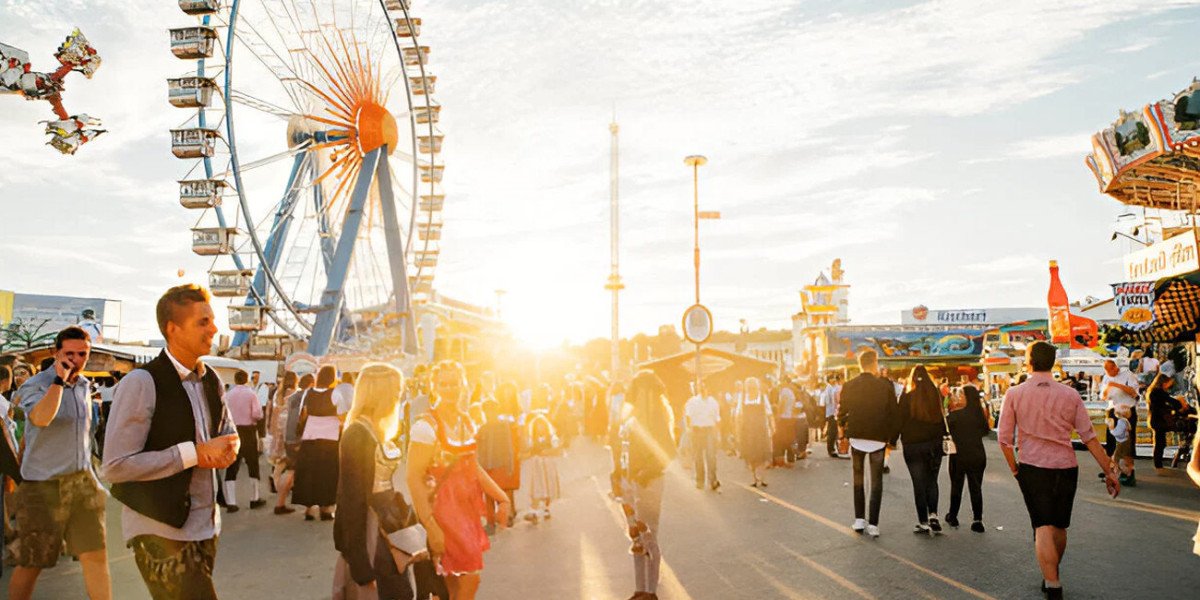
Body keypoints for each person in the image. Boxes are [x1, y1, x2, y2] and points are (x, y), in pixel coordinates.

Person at [102, 285, 240, 600]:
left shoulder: (211, 380)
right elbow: (115, 466)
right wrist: (193, 454)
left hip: (204, 527)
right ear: (172, 329)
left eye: (212, 320)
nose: (214, 329)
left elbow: (226, 433)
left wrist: (230, 449)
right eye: (202, 322)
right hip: (160, 529)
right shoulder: (141, 383)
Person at [998, 341, 1118, 600]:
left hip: (1032, 467)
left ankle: (1053, 583)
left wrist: (1014, 469)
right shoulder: (1070, 395)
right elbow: (1090, 438)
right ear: (1053, 362)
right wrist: (1109, 471)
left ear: (1029, 361)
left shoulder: (1015, 394)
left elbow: (1004, 440)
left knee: (1042, 525)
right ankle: (1051, 571)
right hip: (1066, 466)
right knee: (1060, 526)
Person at [8, 326, 111, 600]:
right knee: (33, 562)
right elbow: (40, 419)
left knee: (95, 556)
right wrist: (58, 381)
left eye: (82, 354)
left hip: (81, 482)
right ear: (56, 353)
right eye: (69, 353)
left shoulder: (85, 386)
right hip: (43, 487)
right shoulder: (36, 385)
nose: (76, 360)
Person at [406, 360, 510, 600]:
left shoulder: (465, 420)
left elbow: (473, 467)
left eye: (454, 384)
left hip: (465, 513)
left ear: (463, 386)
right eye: (444, 384)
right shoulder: (426, 426)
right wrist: (431, 527)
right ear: (434, 387)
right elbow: (413, 478)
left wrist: (501, 497)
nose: (450, 389)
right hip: (440, 513)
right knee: (462, 582)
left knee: (454, 585)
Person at [332, 363, 413, 600]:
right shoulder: (358, 434)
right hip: (371, 531)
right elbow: (351, 498)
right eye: (395, 391)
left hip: (384, 527)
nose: (399, 397)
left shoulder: (372, 430)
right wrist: (358, 560)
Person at [618, 370, 677, 600]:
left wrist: (647, 471)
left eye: (647, 391)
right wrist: (618, 474)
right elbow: (619, 446)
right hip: (629, 484)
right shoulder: (630, 418)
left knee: (649, 534)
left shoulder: (659, 418)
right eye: (639, 391)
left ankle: (651, 591)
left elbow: (669, 452)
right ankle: (639, 589)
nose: (643, 396)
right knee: (635, 537)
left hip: (650, 482)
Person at [837, 349, 898, 539]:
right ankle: (873, 523)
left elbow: (842, 412)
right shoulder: (885, 386)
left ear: (860, 364)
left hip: (856, 436)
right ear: (874, 364)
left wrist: (843, 431)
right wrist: (892, 440)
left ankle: (859, 519)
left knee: (858, 478)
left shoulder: (849, 385)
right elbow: (893, 414)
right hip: (878, 438)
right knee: (876, 481)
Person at [894, 365, 948, 535]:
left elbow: (899, 420)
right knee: (932, 481)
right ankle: (934, 515)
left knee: (918, 483)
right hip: (934, 445)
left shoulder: (906, 397)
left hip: (912, 446)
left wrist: (892, 440)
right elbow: (942, 420)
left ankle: (923, 521)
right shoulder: (935, 396)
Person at [294, 365, 342, 520]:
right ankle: (326, 508)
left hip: (310, 435)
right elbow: (341, 415)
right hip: (330, 437)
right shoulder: (336, 393)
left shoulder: (308, 392)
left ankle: (308, 509)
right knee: (328, 473)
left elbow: (303, 414)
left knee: (309, 472)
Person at [945, 385, 989, 531]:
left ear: (967, 397)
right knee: (975, 487)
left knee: (957, 486)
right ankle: (977, 519)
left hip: (959, 455)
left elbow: (946, 429)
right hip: (977, 454)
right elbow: (985, 432)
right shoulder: (980, 415)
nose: (960, 397)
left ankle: (953, 516)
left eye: (962, 395)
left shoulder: (955, 416)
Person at [223, 369, 266, 512]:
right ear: (246, 379)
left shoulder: (228, 395)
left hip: (232, 431)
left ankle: (231, 502)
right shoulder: (251, 394)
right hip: (248, 432)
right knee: (252, 464)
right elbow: (257, 414)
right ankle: (254, 498)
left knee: (232, 466)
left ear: (235, 380)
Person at [476, 398, 517, 534]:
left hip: (500, 464)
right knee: (488, 496)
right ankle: (490, 522)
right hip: (486, 466)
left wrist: (510, 465)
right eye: (486, 411)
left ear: (496, 410)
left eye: (491, 410)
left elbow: (509, 446)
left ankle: (506, 517)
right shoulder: (482, 428)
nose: (489, 414)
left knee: (501, 493)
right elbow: (478, 448)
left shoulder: (503, 426)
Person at [524, 386, 562, 522]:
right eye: (537, 426)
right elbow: (527, 450)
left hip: (547, 464)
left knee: (548, 486)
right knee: (537, 487)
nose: (539, 428)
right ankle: (533, 510)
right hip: (537, 464)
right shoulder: (531, 439)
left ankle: (546, 508)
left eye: (541, 426)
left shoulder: (551, 437)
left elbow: (557, 448)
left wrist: (549, 451)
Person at [266, 371, 298, 515]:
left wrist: (271, 431)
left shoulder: (277, 394)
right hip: (289, 430)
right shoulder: (295, 394)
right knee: (288, 463)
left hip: (278, 429)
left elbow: (272, 413)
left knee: (279, 463)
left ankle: (278, 485)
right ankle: (282, 491)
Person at [1146, 372, 1189, 474]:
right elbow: (1173, 403)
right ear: (1163, 383)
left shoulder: (1153, 392)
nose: (1170, 386)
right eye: (1168, 383)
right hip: (1159, 420)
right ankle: (1158, 466)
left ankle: (1159, 465)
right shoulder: (1158, 392)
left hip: (1155, 420)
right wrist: (1180, 404)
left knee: (1160, 443)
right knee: (1159, 443)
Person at [737, 377, 773, 487]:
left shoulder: (763, 397)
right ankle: (754, 478)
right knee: (751, 455)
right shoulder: (742, 398)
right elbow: (738, 415)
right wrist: (737, 430)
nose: (752, 389)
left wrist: (772, 426)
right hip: (748, 431)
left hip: (761, 430)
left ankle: (761, 477)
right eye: (750, 387)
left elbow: (769, 413)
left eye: (753, 387)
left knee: (762, 455)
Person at [1100, 359, 1140, 462]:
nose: (1109, 374)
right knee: (1111, 439)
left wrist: (1116, 385)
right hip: (1113, 409)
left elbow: (1134, 393)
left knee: (1127, 440)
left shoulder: (1128, 375)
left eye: (1110, 371)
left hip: (1127, 411)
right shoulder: (1106, 377)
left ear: (1115, 367)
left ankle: (1127, 468)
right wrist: (1107, 389)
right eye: (1106, 372)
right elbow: (1103, 396)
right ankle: (1111, 466)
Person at [684, 384, 720, 490]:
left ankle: (713, 480)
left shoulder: (713, 402)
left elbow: (717, 418)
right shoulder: (692, 402)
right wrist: (689, 429)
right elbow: (688, 416)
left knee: (711, 456)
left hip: (709, 430)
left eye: (705, 387)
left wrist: (718, 433)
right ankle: (700, 480)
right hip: (697, 430)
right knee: (698, 456)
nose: (704, 389)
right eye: (702, 387)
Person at [1107, 404, 1136, 487]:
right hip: (1126, 441)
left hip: (1122, 443)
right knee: (1124, 458)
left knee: (1116, 458)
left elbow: (1118, 433)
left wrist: (1111, 430)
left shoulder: (1121, 421)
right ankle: (1127, 473)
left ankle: (1119, 474)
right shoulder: (1126, 421)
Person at [821, 375, 841, 458]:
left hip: (836, 412)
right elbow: (827, 401)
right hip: (831, 413)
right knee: (832, 432)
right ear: (829, 380)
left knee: (836, 432)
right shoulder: (828, 388)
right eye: (832, 378)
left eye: (834, 378)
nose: (834, 379)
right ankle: (831, 450)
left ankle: (837, 449)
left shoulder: (835, 387)